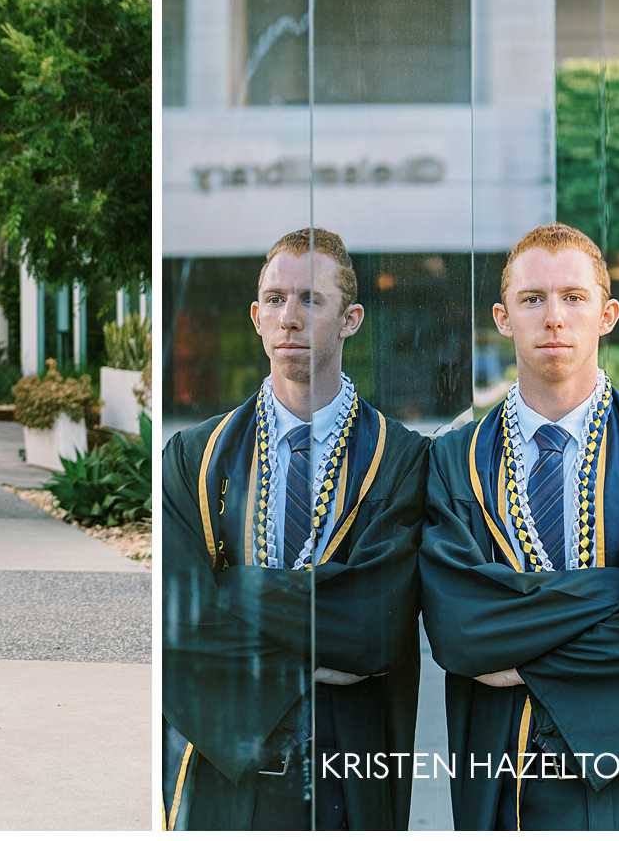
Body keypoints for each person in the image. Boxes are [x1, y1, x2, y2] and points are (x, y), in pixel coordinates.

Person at [419, 222, 619, 830]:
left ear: (607, 314)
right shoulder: (453, 462)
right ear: (503, 317)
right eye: (532, 299)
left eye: (574, 297)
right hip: (508, 771)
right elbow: (461, 633)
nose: (554, 318)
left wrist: (524, 658)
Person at [161, 227, 428, 830]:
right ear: (256, 317)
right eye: (275, 301)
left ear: (350, 319)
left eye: (311, 299)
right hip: (224, 758)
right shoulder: (194, 457)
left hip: (352, 755)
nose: (290, 319)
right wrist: (312, 658)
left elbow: (374, 626)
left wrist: (232, 589)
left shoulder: (402, 458)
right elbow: (177, 625)